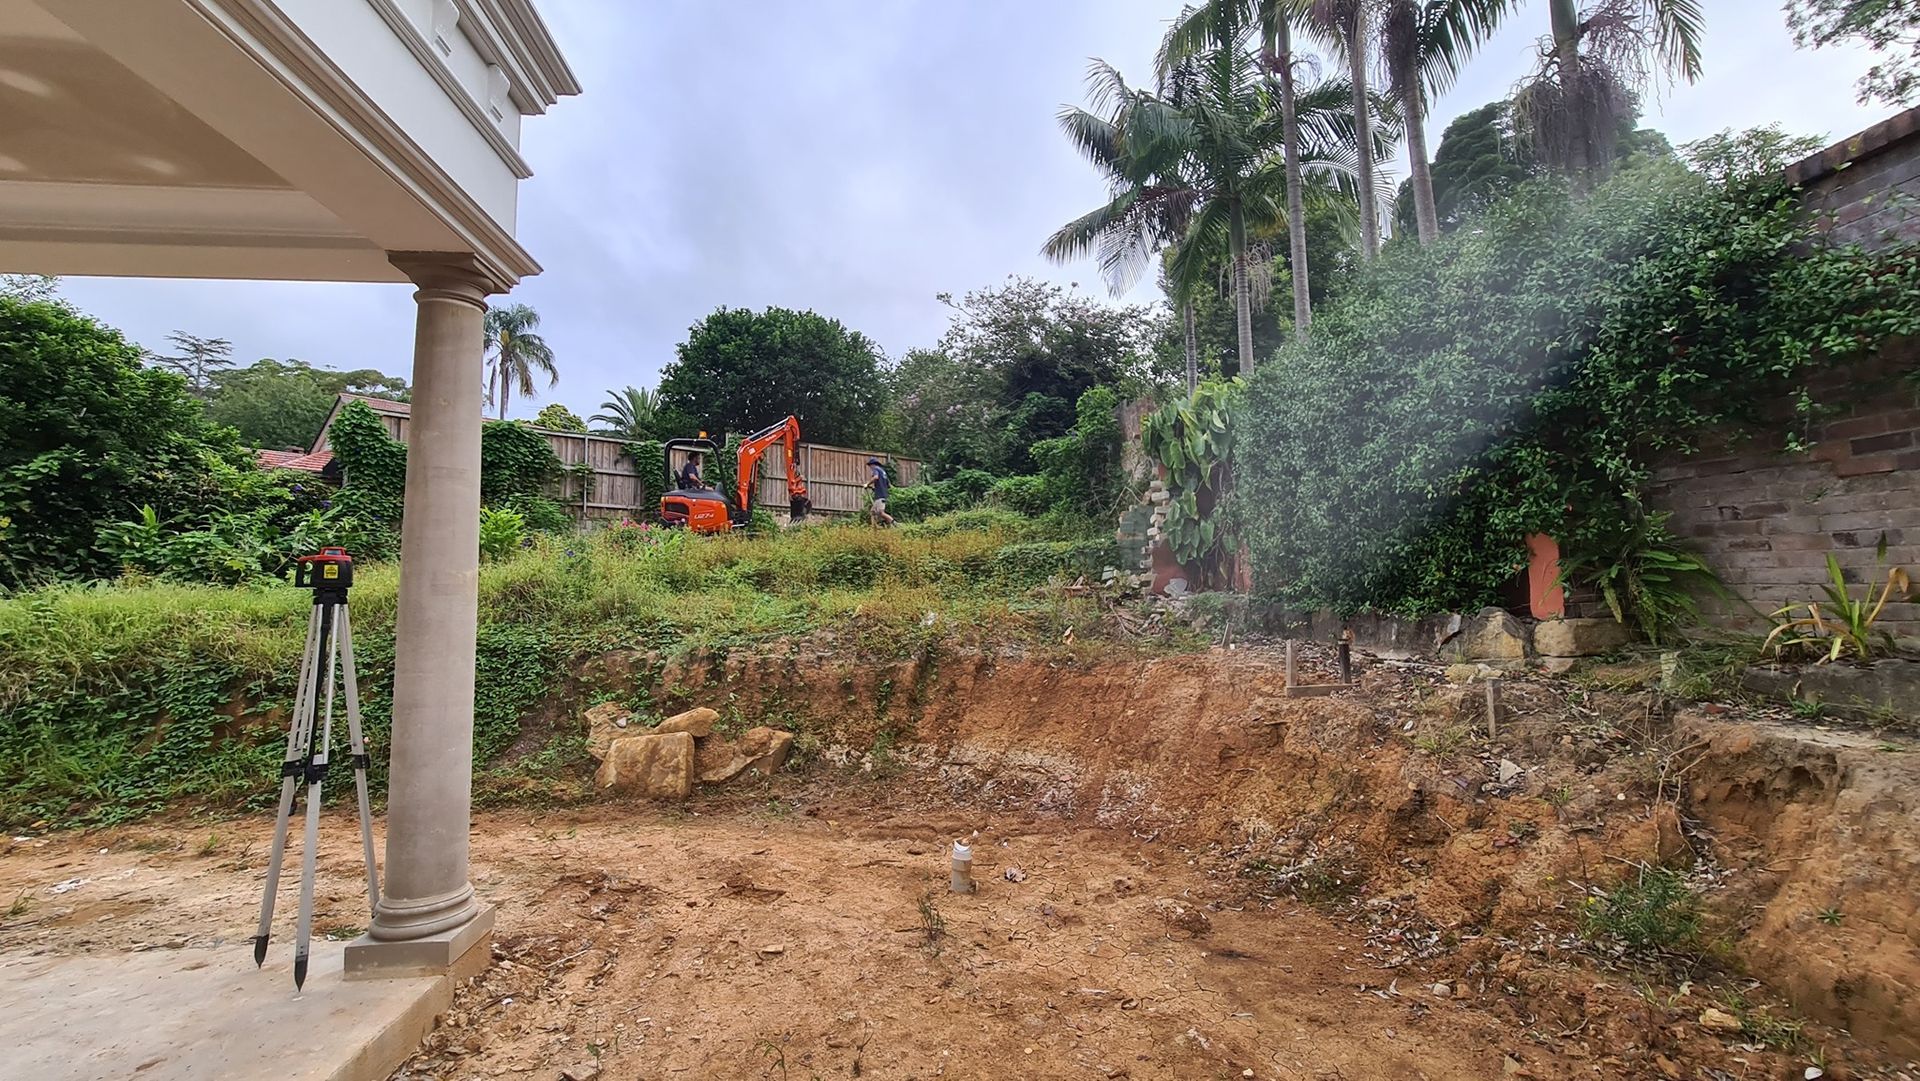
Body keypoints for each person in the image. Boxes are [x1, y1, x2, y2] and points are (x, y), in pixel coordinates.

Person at [865, 457, 894, 526]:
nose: (870, 468)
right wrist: (874, 488)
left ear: (873, 465)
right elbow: (887, 485)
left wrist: (867, 484)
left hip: (880, 496)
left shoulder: (876, 469)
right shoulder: (883, 472)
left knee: (880, 513)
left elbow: (875, 477)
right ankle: (874, 529)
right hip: (883, 494)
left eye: (870, 466)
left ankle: (894, 523)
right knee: (873, 512)